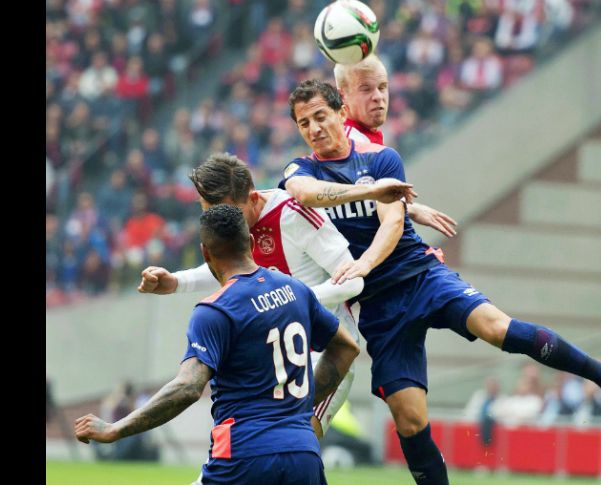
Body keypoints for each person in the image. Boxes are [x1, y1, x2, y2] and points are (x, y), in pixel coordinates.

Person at [280, 79, 601, 485]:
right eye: (304, 123)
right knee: (409, 420)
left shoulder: (382, 159)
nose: (314, 128)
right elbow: (307, 194)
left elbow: (392, 225)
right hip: (377, 307)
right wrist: (371, 193)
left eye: (320, 116)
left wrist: (366, 260)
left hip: (420, 275)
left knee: (497, 328)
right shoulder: (300, 170)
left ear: (340, 113)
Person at [76, 204, 361, 484]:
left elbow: (188, 387)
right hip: (303, 453)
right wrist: (297, 407)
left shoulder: (215, 310)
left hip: (243, 457)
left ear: (205, 252)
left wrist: (116, 428)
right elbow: (347, 348)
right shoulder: (294, 289)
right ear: (250, 241)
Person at [136, 153, 410, 439]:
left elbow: (352, 282)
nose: (219, 221)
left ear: (253, 198)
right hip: (275, 359)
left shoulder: (293, 215)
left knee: (296, 441)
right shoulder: (232, 227)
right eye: (208, 212)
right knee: (261, 453)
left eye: (227, 211)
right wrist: (176, 282)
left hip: (324, 351)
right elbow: (225, 264)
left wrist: (290, 301)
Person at [334, 54, 458, 238]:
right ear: (342, 96)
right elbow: (355, 210)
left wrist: (408, 207)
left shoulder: (365, 136)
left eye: (383, 87)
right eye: (366, 89)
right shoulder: (350, 143)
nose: (378, 97)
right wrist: (410, 209)